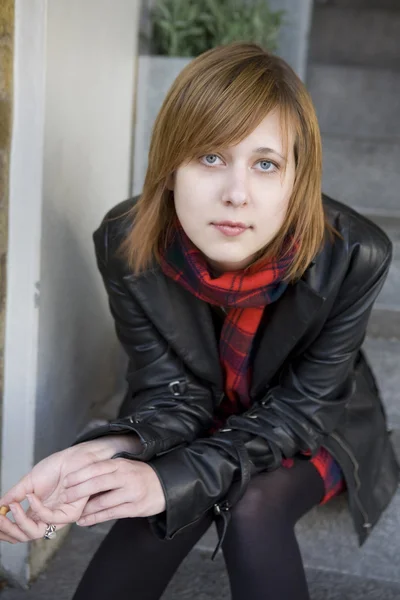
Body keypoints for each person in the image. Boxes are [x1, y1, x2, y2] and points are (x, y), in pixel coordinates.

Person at [0, 42, 398, 600]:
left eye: (266, 164)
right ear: (169, 170)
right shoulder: (125, 243)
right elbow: (170, 392)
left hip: (309, 419)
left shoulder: (354, 254)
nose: (236, 194)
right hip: (199, 412)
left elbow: (301, 410)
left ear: (295, 181)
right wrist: (99, 456)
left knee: (249, 501)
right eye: (210, 157)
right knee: (162, 495)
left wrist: (168, 479)